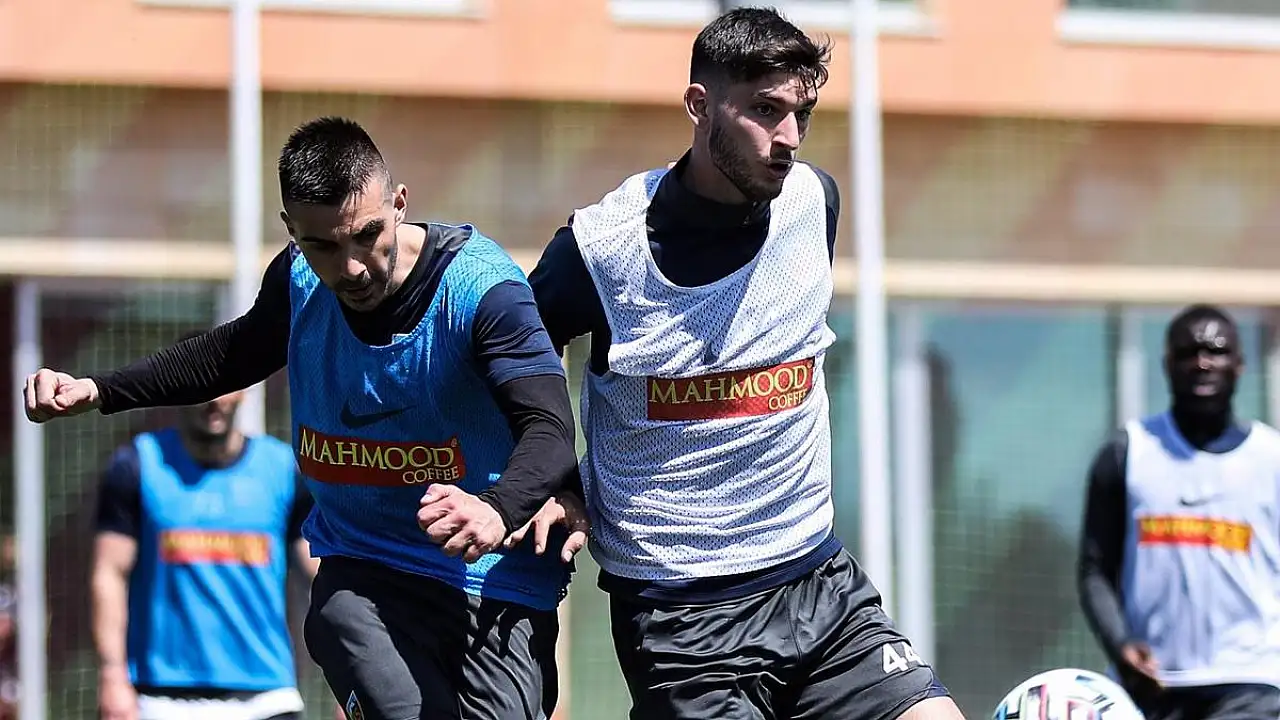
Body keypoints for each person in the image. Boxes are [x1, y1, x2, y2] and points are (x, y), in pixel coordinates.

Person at [27, 117, 587, 720]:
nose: (351, 268)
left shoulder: (482, 292)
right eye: (324, 246)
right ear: (292, 230)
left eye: (366, 235)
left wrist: (496, 509)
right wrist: (99, 388)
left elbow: (551, 430)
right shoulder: (296, 282)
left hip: (489, 578)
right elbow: (232, 354)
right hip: (366, 566)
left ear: (399, 204)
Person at [527, 7, 963, 720]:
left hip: (819, 584)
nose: (788, 136)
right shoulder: (600, 251)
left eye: (802, 114)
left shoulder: (814, 202)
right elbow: (513, 362)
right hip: (681, 617)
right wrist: (554, 478)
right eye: (765, 110)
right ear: (699, 105)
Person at [1077, 304, 1280, 720]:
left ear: (1239, 364)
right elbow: (1095, 570)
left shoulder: (1271, 458)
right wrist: (1120, 645)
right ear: (1167, 364)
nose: (1202, 363)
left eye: (1216, 351)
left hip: (1252, 684)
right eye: (1188, 353)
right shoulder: (1127, 453)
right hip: (1151, 688)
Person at [91, 376, 317, 720]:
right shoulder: (138, 464)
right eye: (201, 386)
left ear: (244, 391)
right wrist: (111, 674)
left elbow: (321, 576)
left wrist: (351, 676)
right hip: (159, 699)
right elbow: (109, 573)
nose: (214, 400)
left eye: (224, 385)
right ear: (178, 388)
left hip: (266, 699)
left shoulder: (285, 469)